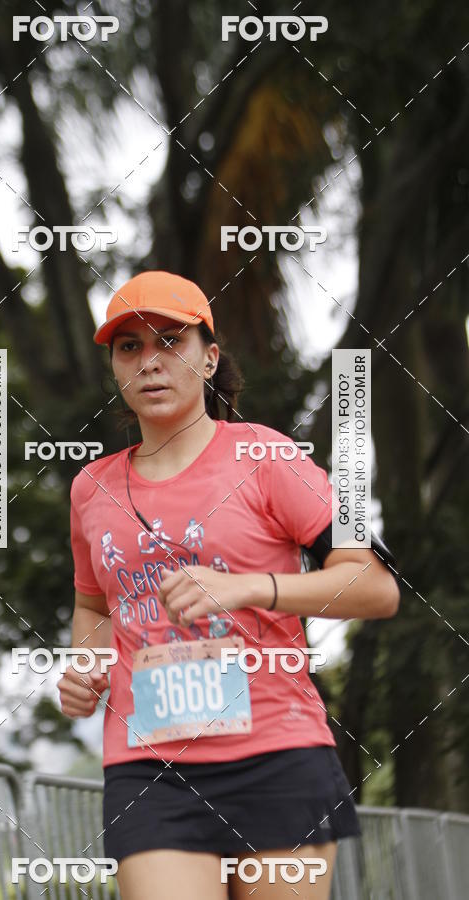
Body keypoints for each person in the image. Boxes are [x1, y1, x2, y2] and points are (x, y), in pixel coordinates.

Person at [58, 270, 401, 900]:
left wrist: (247, 587)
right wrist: (86, 665)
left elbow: (374, 587)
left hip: (277, 751)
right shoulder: (91, 487)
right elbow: (94, 605)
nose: (150, 362)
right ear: (113, 366)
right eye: (129, 347)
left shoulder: (270, 457)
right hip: (149, 768)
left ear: (209, 359)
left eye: (170, 342)